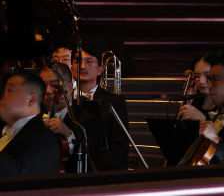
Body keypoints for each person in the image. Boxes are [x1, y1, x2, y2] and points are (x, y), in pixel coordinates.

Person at [71, 40, 130, 171]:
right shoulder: (64, 98)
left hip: (101, 170)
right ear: (71, 67)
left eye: (89, 61)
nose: (82, 66)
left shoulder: (114, 101)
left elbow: (120, 145)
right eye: (77, 61)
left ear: (100, 69)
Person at [0, 70, 62, 178]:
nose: (3, 98)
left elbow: (17, 179)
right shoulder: (8, 131)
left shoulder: (42, 139)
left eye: (10, 90)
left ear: (31, 100)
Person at [39, 62, 85, 173]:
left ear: (69, 87)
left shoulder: (85, 114)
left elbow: (89, 157)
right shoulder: (34, 113)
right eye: (43, 85)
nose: (47, 91)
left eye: (54, 85)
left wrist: (68, 134)